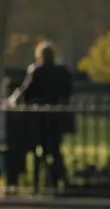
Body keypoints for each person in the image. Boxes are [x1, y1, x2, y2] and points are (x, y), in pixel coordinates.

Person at [6, 41, 74, 190]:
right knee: (55, 151)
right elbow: (67, 94)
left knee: (35, 149)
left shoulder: (37, 71)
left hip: (38, 120)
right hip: (57, 119)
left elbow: (24, 91)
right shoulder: (63, 72)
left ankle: (37, 182)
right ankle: (59, 180)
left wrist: (11, 100)